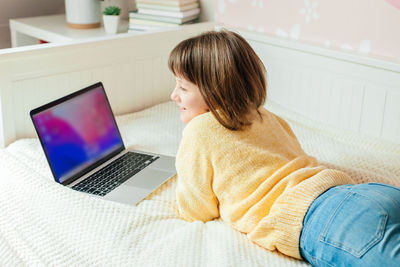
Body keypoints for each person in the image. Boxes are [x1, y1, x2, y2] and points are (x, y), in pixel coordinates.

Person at [168, 29, 400, 266]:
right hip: (367, 193)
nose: (173, 95)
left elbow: (196, 210)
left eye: (183, 88)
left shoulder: (198, 130)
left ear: (215, 90)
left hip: (321, 220)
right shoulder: (266, 116)